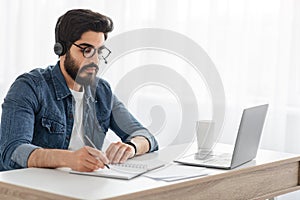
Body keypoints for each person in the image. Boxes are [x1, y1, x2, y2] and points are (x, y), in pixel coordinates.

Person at [0, 9, 158, 172]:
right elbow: (12, 151)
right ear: (61, 49)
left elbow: (146, 137)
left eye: (100, 52)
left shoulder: (102, 91)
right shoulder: (30, 87)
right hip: (29, 190)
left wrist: (131, 147)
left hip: (81, 187)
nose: (95, 60)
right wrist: (69, 159)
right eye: (86, 50)